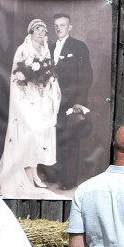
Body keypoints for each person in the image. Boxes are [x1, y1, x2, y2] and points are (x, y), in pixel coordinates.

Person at [0, 18, 64, 199]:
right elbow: (17, 76)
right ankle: (27, 174)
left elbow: (50, 73)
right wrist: (29, 86)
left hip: (42, 97)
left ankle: (34, 172)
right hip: (26, 98)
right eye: (37, 29)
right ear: (31, 31)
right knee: (28, 134)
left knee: (39, 135)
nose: (41, 32)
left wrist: (46, 82)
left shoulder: (46, 50)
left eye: (43, 30)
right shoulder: (23, 50)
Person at [46, 12, 94, 190]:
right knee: (55, 139)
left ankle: (68, 181)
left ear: (70, 27)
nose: (59, 28)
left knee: (71, 141)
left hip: (71, 102)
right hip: (52, 103)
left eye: (63, 25)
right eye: (56, 25)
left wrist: (79, 103)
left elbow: (86, 76)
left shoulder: (78, 47)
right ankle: (57, 176)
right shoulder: (49, 48)